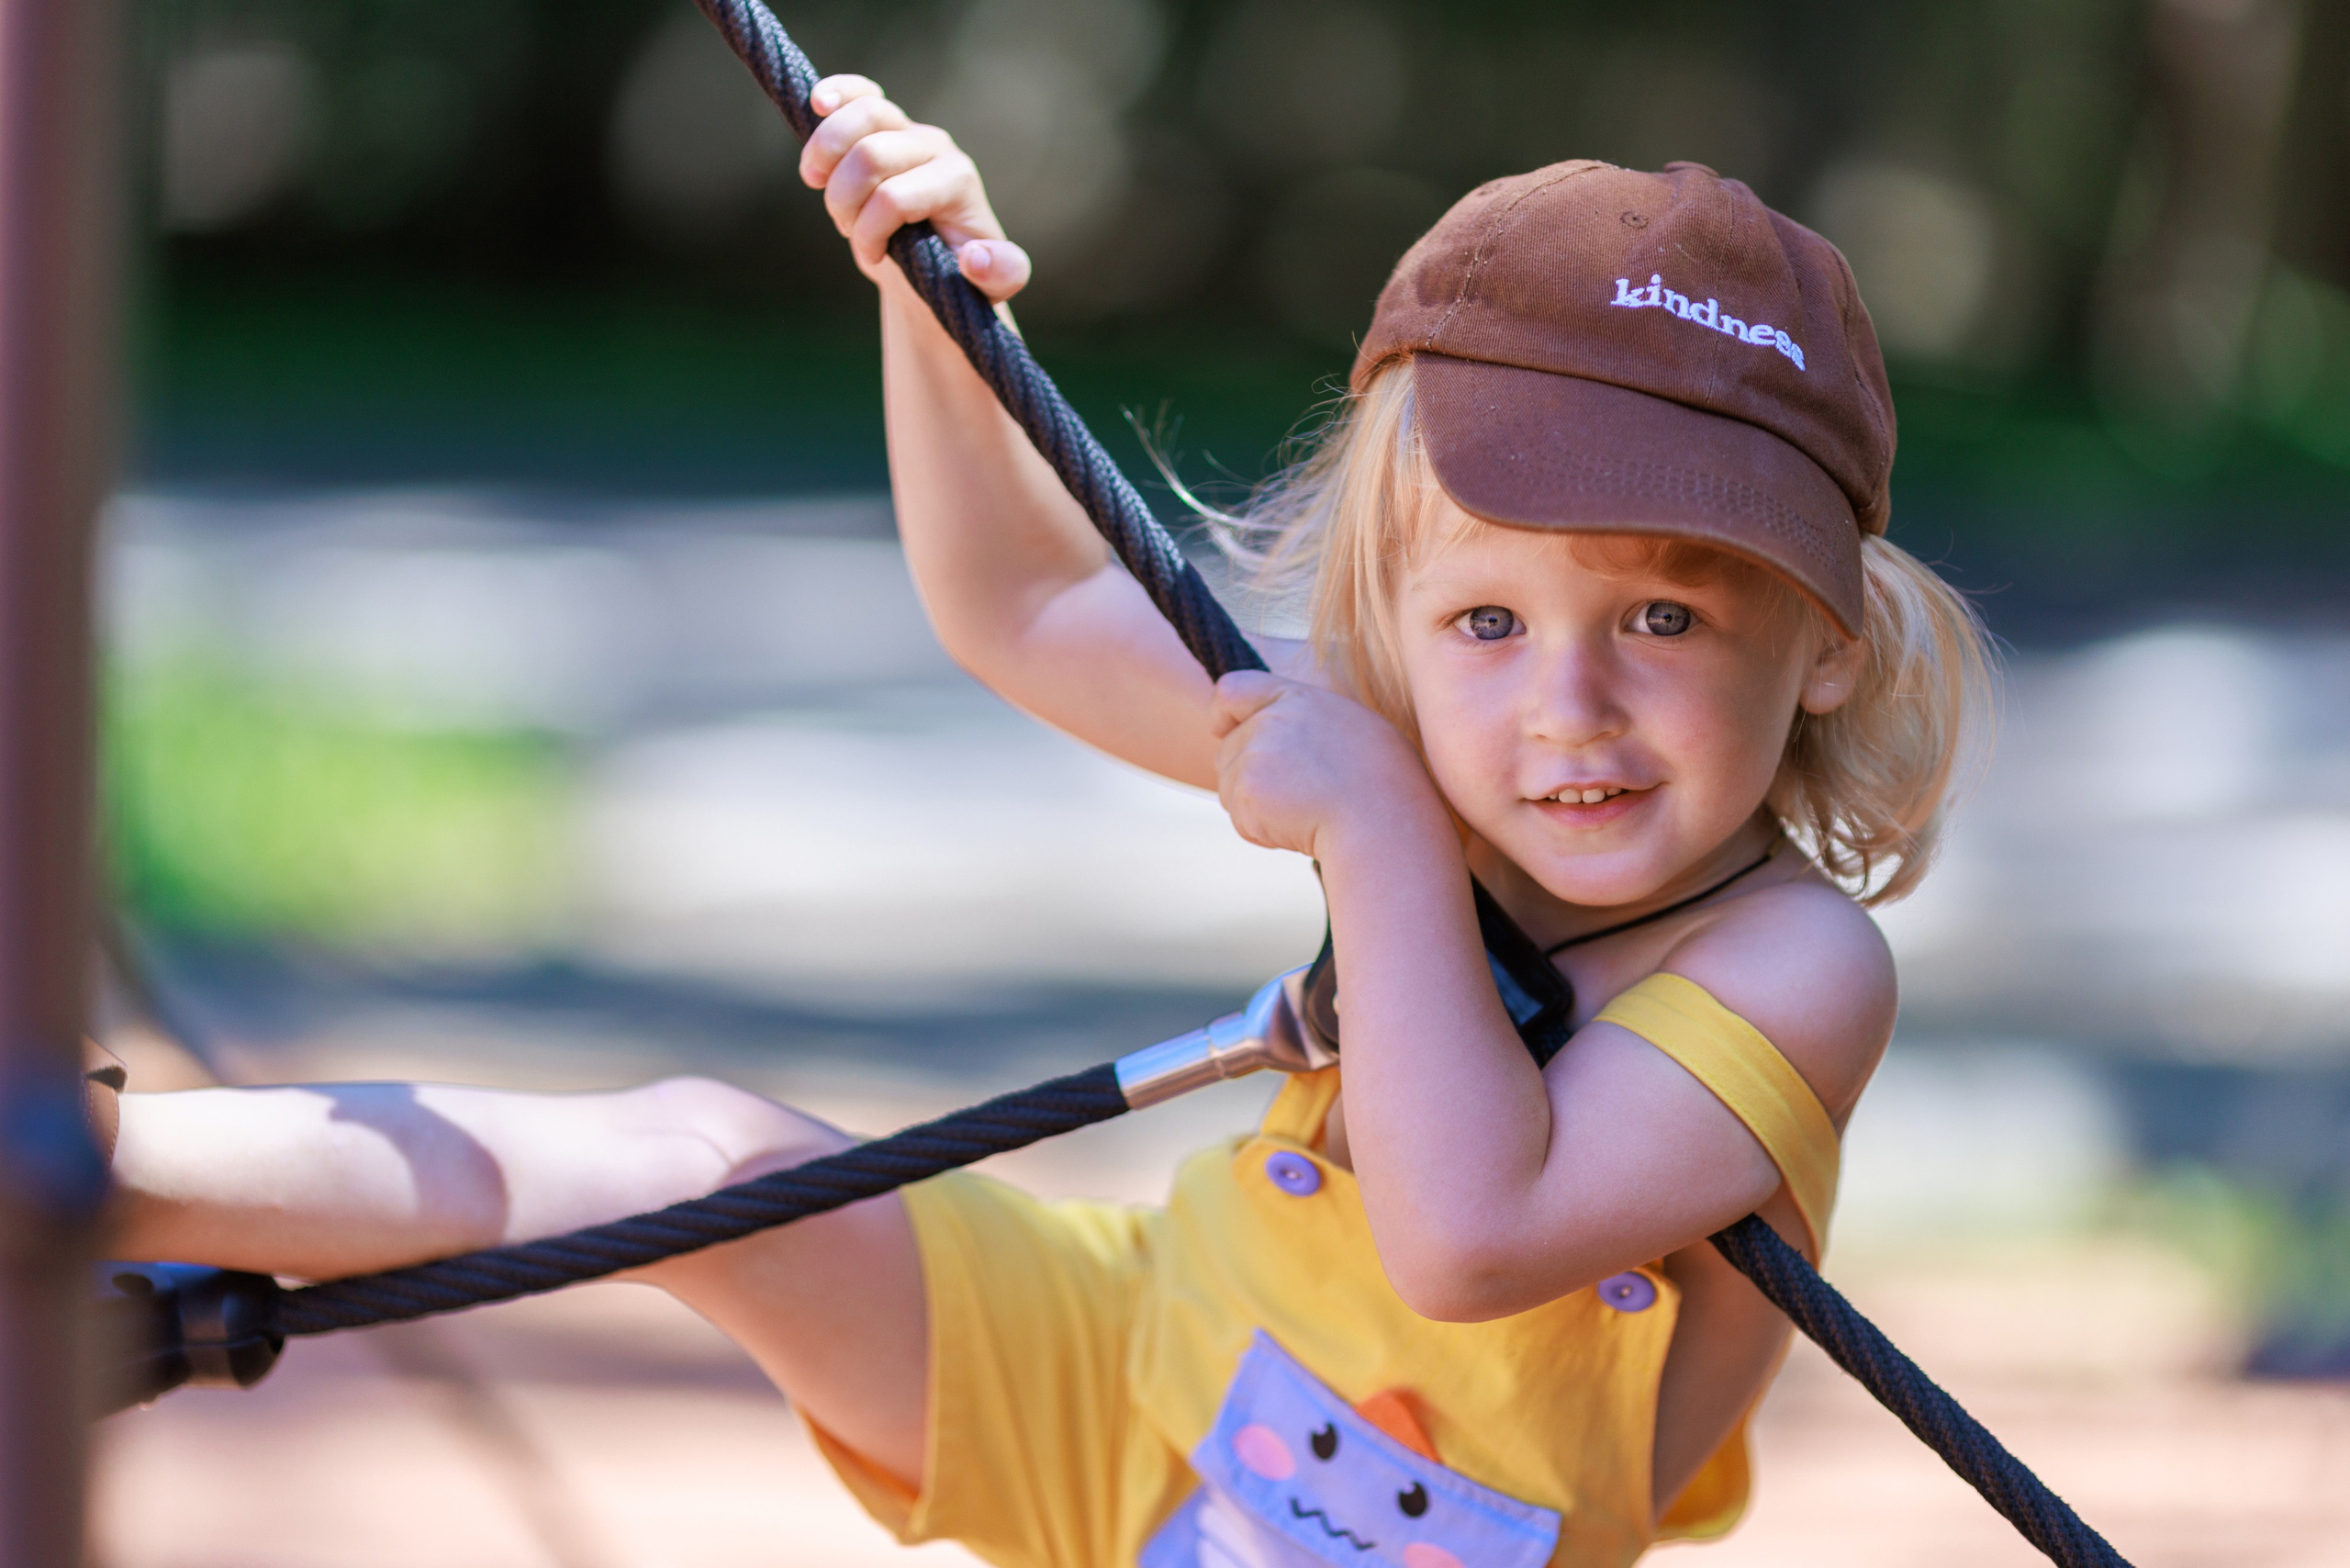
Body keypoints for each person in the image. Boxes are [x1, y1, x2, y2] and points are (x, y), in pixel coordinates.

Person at [105, 75, 1993, 1568]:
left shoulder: (1794, 963)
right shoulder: (1406, 750)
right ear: (1396, 618)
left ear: (1824, 645)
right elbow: (1019, 611)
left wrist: (1381, 840)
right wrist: (930, 307)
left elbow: (1471, 1234)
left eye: (1662, 616)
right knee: (700, 1159)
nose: (1561, 703)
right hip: (1115, 1363)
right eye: (1485, 618)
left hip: (1426, 1540)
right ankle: (93, 1159)